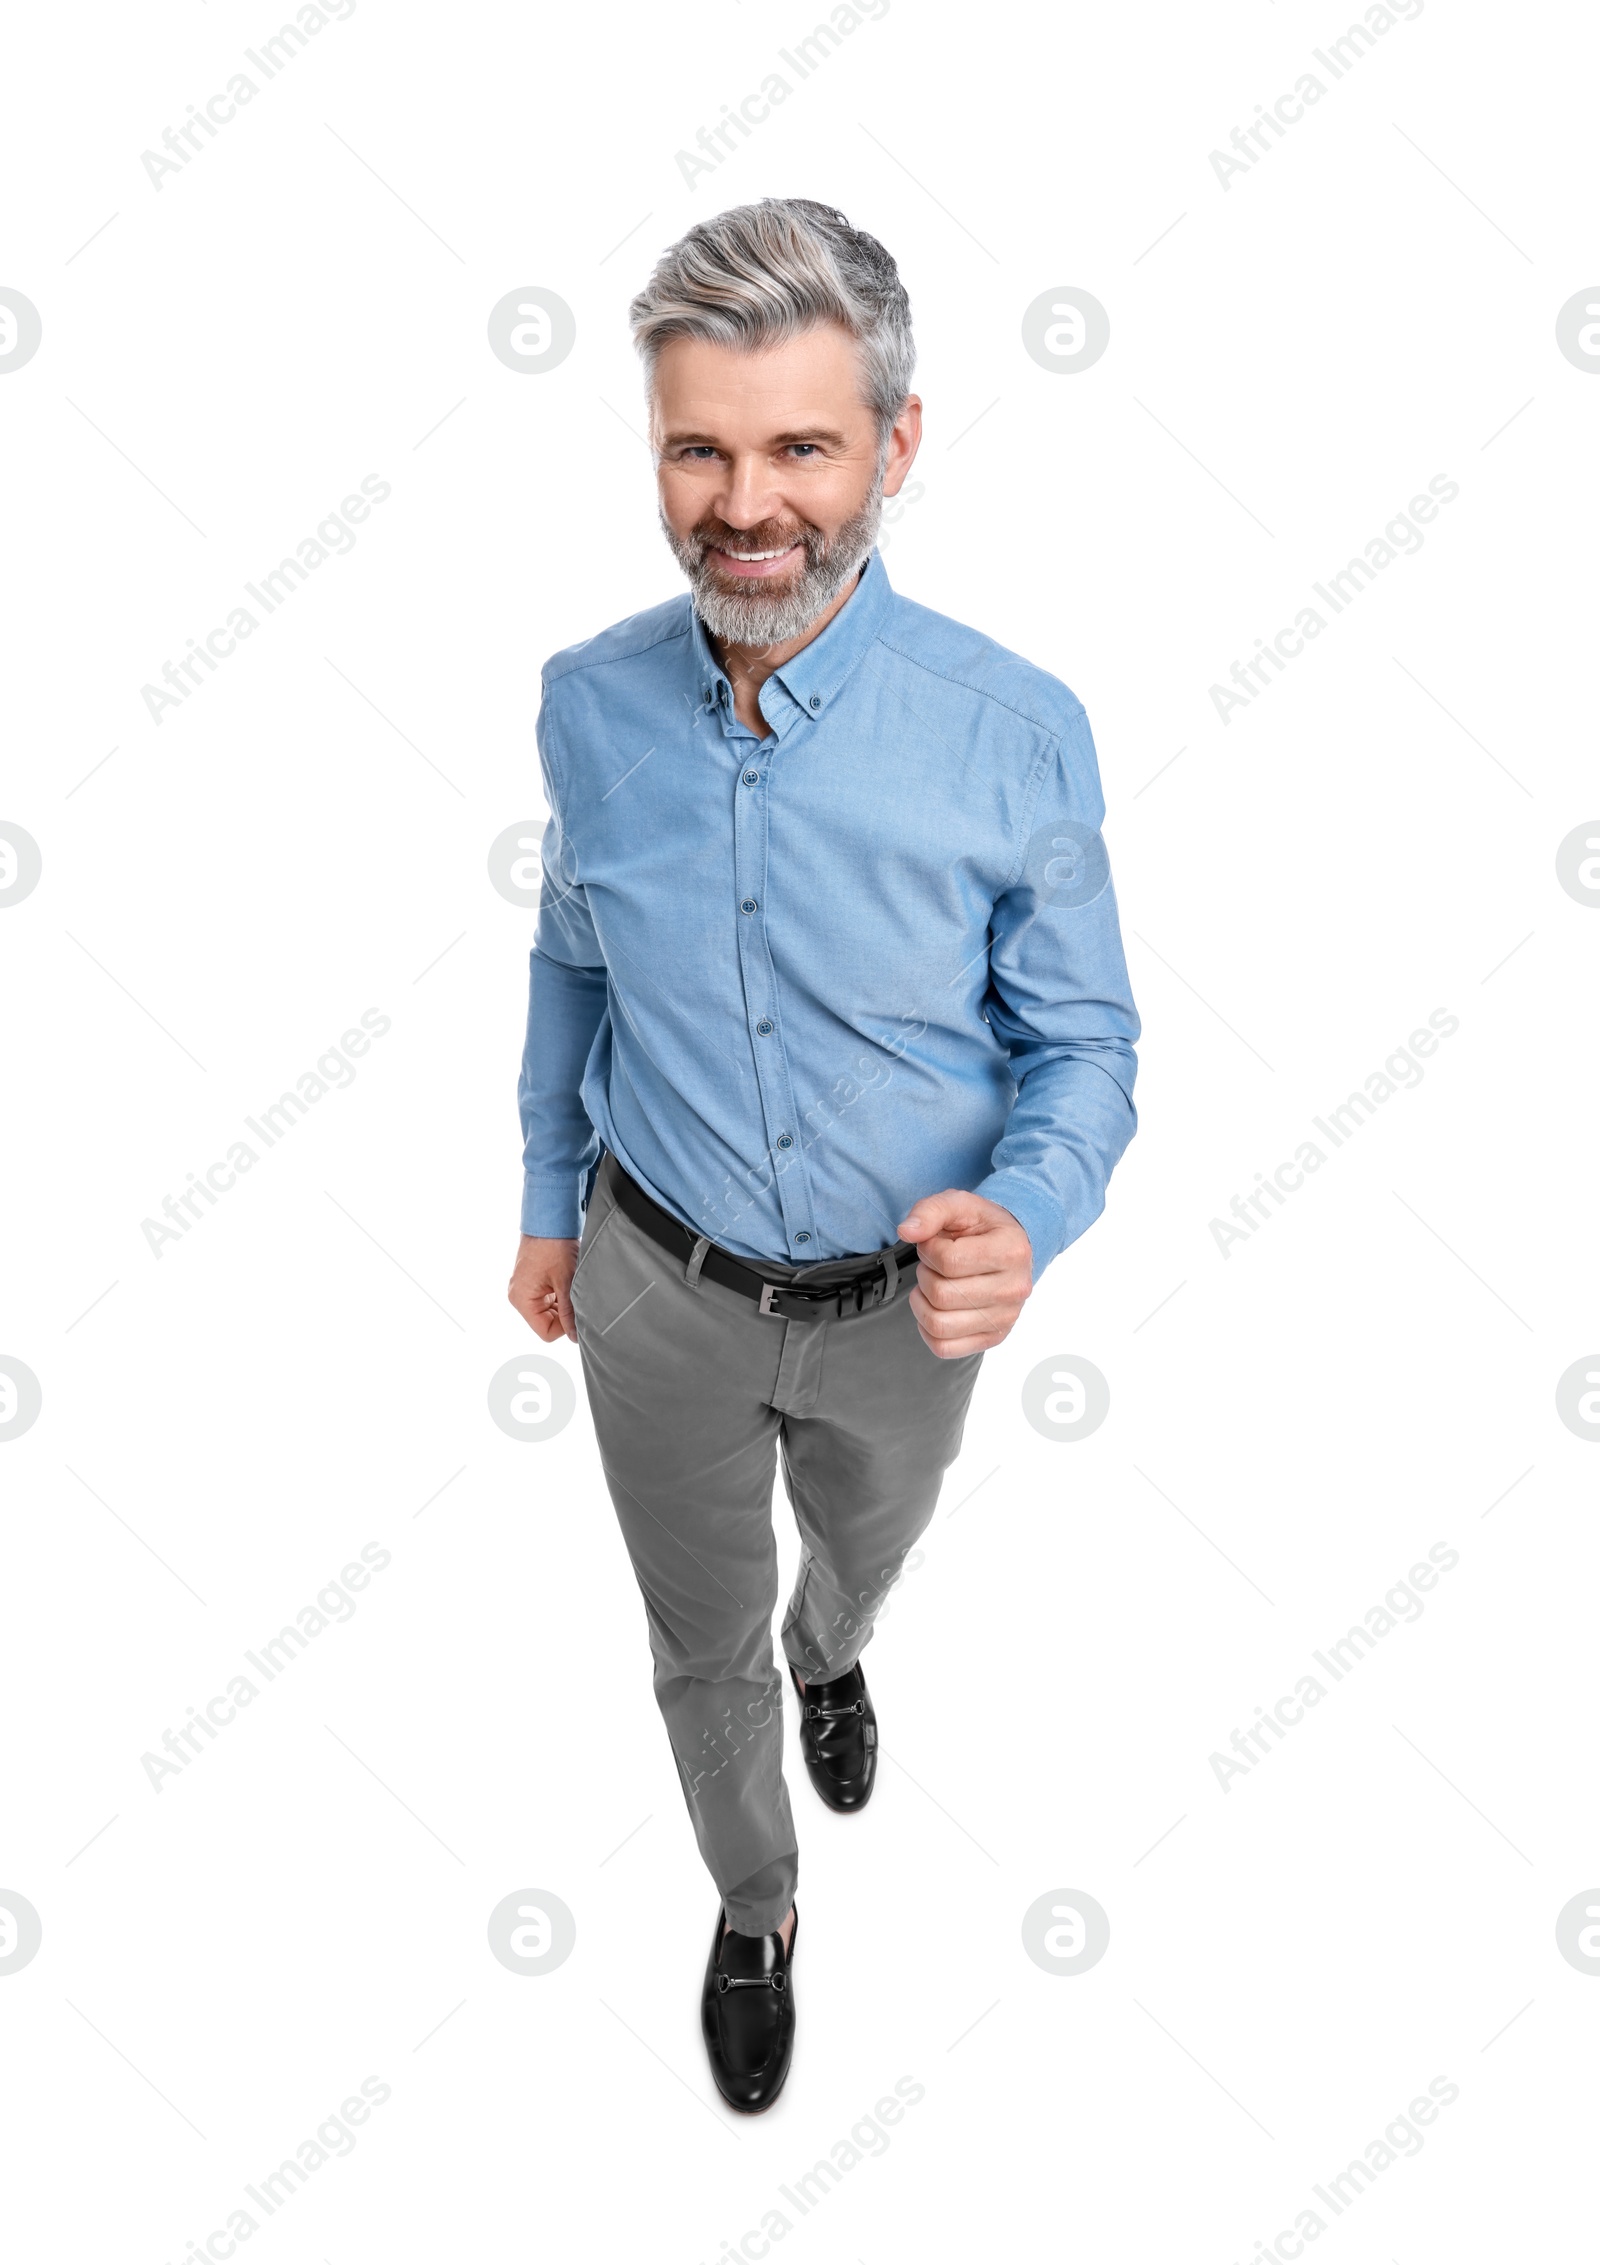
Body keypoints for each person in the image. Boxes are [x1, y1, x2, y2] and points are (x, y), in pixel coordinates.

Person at [508, 198, 1139, 2112]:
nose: (743, 504)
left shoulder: (1015, 733)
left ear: (897, 446)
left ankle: (839, 1649)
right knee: (693, 1642)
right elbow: (568, 953)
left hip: (898, 1325)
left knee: (854, 1558)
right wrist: (548, 1201)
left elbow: (1086, 1046)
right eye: (698, 447)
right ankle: (759, 1899)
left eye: (799, 446)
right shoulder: (584, 700)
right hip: (653, 1290)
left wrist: (1023, 1220)